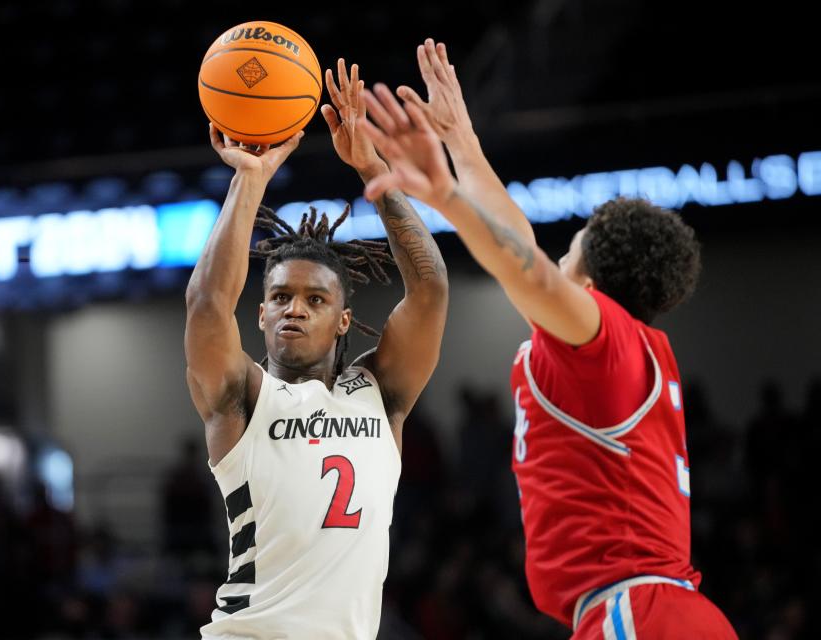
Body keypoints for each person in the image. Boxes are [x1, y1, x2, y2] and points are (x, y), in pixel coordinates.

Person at [358, 39, 737, 639]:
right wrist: (463, 142)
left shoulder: (602, 337)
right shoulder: (616, 347)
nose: (553, 254)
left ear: (589, 273)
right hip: (658, 612)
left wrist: (447, 196)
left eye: (572, 243)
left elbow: (524, 267)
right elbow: (519, 240)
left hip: (640, 614)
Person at [185, 58, 449, 639]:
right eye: (279, 297)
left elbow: (429, 289)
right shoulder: (243, 397)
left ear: (344, 320)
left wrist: (373, 170)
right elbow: (207, 306)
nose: (294, 308)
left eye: (313, 299)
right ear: (260, 314)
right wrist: (248, 180)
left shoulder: (380, 394)